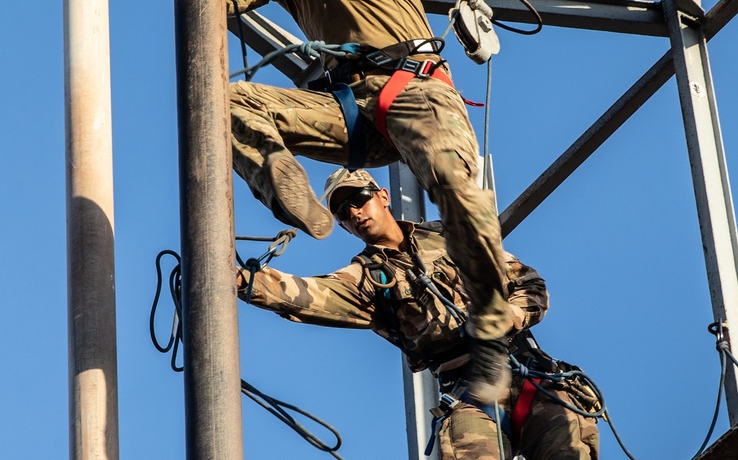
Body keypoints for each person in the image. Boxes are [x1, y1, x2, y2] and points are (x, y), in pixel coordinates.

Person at [150, 0, 512, 403]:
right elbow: (203, 0)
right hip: (352, 113)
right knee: (225, 100)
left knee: (455, 188)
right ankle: (290, 195)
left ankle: (490, 326)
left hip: (413, 89)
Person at [237, 168, 600, 460]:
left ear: (383, 196)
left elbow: (529, 285)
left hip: (530, 376)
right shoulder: (367, 279)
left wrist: (510, 315)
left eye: (358, 199)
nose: (354, 213)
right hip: (471, 394)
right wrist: (241, 280)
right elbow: (303, 295)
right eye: (342, 212)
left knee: (569, 448)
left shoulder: (449, 237)